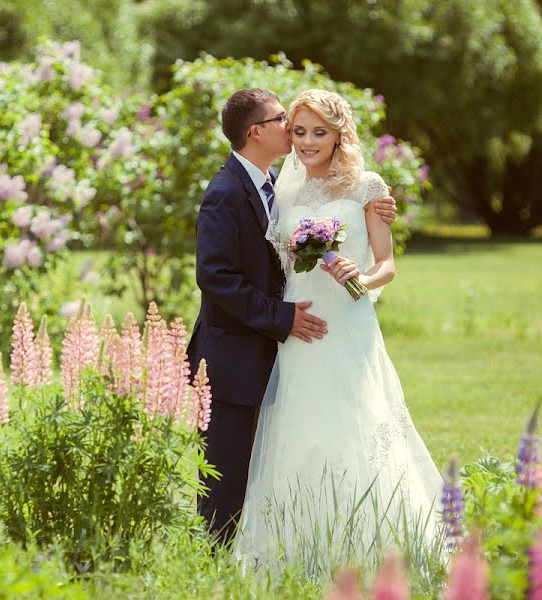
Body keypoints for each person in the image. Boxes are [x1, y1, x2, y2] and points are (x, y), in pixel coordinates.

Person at [233, 89, 442, 571]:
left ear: (338, 134)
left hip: (348, 322)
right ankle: (298, 546)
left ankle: (372, 546)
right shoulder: (283, 193)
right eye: (299, 131)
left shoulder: (367, 186)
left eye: (319, 133)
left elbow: (387, 263)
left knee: (357, 419)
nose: (307, 142)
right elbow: (279, 260)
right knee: (300, 422)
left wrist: (361, 277)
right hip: (300, 323)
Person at [186, 88, 398, 544]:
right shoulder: (227, 190)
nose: (295, 132)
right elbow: (216, 277)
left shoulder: (280, 184)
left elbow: (376, 253)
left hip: (324, 330)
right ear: (256, 132)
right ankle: (215, 568)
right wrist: (282, 318)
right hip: (244, 349)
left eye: (313, 129)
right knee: (230, 474)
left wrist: (376, 209)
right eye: (287, 121)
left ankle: (343, 538)